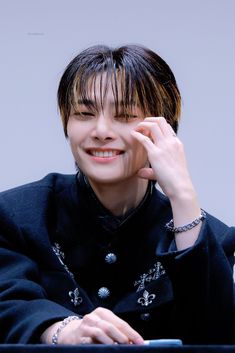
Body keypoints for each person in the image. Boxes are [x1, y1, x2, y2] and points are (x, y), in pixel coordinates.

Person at [0, 44, 234, 346]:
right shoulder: (18, 215)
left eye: (124, 115)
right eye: (84, 114)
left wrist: (183, 196)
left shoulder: (211, 236)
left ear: (163, 130)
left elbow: (215, 334)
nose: (101, 130)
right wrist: (62, 331)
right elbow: (6, 301)